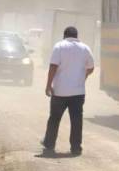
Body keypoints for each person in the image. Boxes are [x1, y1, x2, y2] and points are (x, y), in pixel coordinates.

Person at [41, 26, 95, 156]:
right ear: (77, 36)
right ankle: (76, 148)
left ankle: (49, 144)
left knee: (54, 118)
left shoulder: (59, 46)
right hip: (78, 92)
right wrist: (84, 77)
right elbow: (91, 67)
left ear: (64, 35)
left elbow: (53, 66)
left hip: (60, 91)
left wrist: (48, 85)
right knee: (76, 120)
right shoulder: (85, 48)